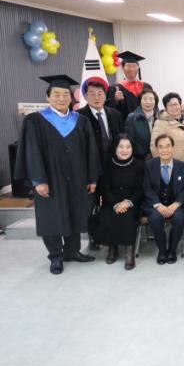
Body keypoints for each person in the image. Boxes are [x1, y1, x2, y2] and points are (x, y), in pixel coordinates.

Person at [15, 75, 101, 274]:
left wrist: (92, 178)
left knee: (74, 213)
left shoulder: (81, 121)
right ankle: (56, 256)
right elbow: (31, 151)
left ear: (71, 98)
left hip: (78, 178)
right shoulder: (35, 121)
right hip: (49, 179)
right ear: (48, 97)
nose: (61, 98)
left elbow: (91, 152)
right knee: (52, 217)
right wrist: (38, 180)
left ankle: (72, 251)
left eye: (65, 94)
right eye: (56, 94)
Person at [78, 79, 125, 250]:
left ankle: (114, 238)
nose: (96, 97)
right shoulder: (79, 117)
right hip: (91, 170)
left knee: (111, 203)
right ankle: (94, 237)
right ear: (85, 96)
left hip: (113, 168)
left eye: (100, 94)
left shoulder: (115, 114)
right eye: (92, 94)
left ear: (106, 96)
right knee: (91, 206)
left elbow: (121, 139)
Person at [142, 135, 184, 264]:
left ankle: (172, 250)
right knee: (155, 218)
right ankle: (162, 250)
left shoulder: (183, 167)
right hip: (155, 204)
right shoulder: (149, 165)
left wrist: (175, 205)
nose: (164, 150)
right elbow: (147, 188)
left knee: (179, 217)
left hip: (177, 204)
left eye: (168, 146)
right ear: (157, 149)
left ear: (173, 148)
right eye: (161, 147)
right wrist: (158, 205)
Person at [98, 134, 144, 270]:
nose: (125, 150)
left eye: (128, 147)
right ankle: (112, 248)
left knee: (128, 216)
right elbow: (104, 188)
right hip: (111, 200)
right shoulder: (107, 164)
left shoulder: (139, 165)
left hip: (133, 200)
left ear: (132, 149)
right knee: (108, 215)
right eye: (121, 147)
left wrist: (128, 202)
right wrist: (115, 204)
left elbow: (141, 189)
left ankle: (129, 251)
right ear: (115, 148)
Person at [106, 51, 152, 119]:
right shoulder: (115, 88)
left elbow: (154, 105)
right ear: (122, 67)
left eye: (134, 66)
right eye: (128, 66)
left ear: (138, 67)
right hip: (125, 124)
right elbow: (107, 109)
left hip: (145, 122)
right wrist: (115, 100)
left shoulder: (146, 86)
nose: (131, 69)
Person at [125, 88, 159, 160]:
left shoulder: (160, 116)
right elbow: (130, 139)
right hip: (140, 158)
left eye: (151, 99)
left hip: (159, 156)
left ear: (155, 101)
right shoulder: (132, 117)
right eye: (145, 99)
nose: (148, 102)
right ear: (140, 101)